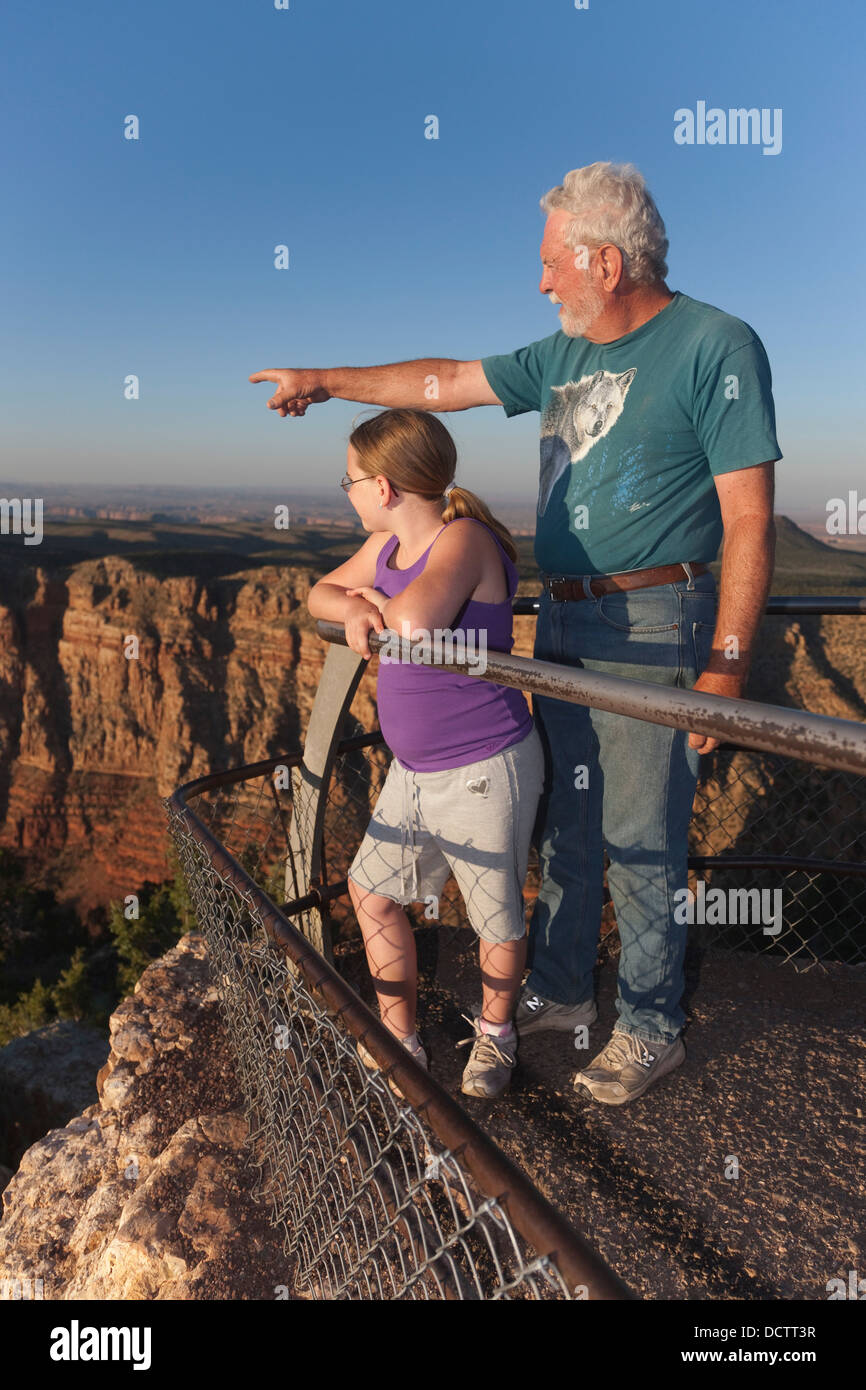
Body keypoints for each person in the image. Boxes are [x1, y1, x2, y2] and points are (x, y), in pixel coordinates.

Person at [252, 160, 781, 1107]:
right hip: (567, 614)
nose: (541, 281)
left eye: (551, 263)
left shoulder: (716, 346)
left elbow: (748, 516)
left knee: (640, 832)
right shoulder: (562, 356)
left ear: (605, 263)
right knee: (572, 830)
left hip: (658, 617)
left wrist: (727, 662)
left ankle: (652, 1025)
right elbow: (442, 380)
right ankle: (564, 988)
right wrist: (325, 381)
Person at [306, 408, 545, 1099]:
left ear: (382, 487)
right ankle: (401, 1037)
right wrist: (353, 607)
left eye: (347, 480)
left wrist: (372, 601)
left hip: (484, 767)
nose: (345, 491)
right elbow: (316, 594)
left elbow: (413, 626)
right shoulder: (386, 551)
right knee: (371, 892)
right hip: (413, 771)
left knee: (493, 913)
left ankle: (497, 1034)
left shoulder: (463, 538)